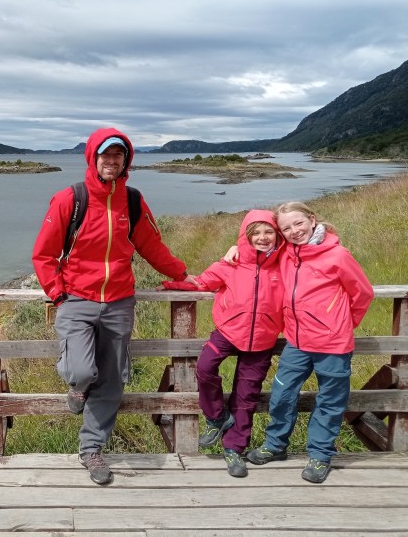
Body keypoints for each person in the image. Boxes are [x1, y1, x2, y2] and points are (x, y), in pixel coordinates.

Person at [32, 127, 194, 485]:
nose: (111, 160)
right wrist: (58, 293)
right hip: (77, 298)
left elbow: (151, 245)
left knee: (112, 379)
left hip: (119, 301)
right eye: (105, 154)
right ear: (93, 157)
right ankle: (77, 386)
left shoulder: (132, 200)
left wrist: (182, 275)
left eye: (118, 154)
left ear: (126, 160)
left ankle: (91, 449)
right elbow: (43, 254)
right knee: (81, 369)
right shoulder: (70, 199)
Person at [225, 201, 374, 483]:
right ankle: (275, 445)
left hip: (333, 345)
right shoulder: (286, 253)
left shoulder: (338, 255)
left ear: (312, 219)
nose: (294, 231)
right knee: (281, 394)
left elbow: (362, 293)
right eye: (286, 228)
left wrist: (340, 323)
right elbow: (254, 249)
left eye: (299, 223)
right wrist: (235, 247)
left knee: (330, 401)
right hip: (296, 340)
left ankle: (320, 455)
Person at [160, 210, 284, 477]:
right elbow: (203, 282)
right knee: (205, 368)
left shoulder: (284, 264)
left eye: (268, 232)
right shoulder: (231, 264)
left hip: (263, 340)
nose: (263, 237)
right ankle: (217, 417)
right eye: (255, 233)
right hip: (228, 332)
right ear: (245, 237)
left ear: (278, 235)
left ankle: (234, 449)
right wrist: (171, 284)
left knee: (246, 395)